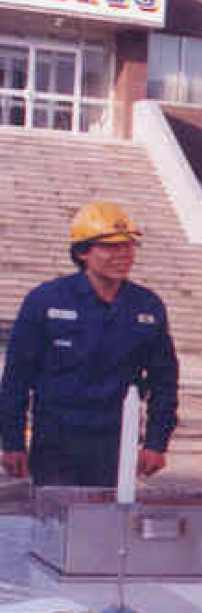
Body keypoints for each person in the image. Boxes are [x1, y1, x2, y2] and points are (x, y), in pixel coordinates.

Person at [1, 202, 179, 487]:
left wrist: (157, 442)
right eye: (110, 247)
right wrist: (12, 442)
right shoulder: (46, 301)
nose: (123, 255)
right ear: (83, 252)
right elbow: (16, 377)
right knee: (55, 524)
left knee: (109, 524)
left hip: (116, 445)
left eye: (128, 246)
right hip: (55, 444)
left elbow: (165, 381)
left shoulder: (148, 306)